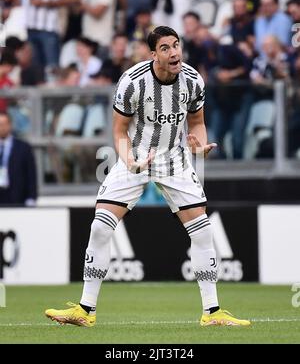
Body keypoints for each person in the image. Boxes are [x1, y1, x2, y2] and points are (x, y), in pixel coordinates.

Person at [45, 26, 250, 327]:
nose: (174, 52)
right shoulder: (132, 81)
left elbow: (197, 122)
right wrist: (132, 162)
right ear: (153, 54)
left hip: (174, 161)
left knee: (203, 231)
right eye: (166, 48)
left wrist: (200, 144)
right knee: (100, 227)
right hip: (136, 156)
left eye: (176, 45)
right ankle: (85, 311)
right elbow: (118, 131)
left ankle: (212, 313)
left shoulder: (193, 81)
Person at [0, 111, 37, 206]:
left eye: (4, 124)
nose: (2, 128)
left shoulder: (23, 147)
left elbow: (31, 174)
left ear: (10, 125)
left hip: (17, 197)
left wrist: (31, 197)